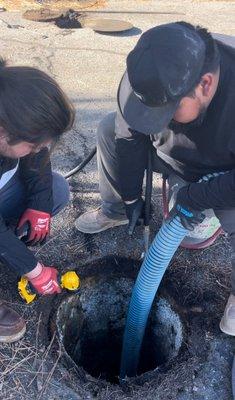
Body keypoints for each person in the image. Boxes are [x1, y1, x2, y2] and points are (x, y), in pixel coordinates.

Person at [75, 22, 235, 336]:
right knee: (108, 128)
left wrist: (193, 198)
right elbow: (128, 135)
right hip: (170, 157)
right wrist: (131, 196)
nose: (155, 120)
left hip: (225, 175)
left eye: (165, 111)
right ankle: (115, 211)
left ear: (204, 84)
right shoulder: (148, 72)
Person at [0, 58, 75, 342]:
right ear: (3, 132)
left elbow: (39, 157)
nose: (40, 148)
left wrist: (39, 205)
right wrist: (34, 270)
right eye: (32, 143)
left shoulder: (10, 104)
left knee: (56, 188)